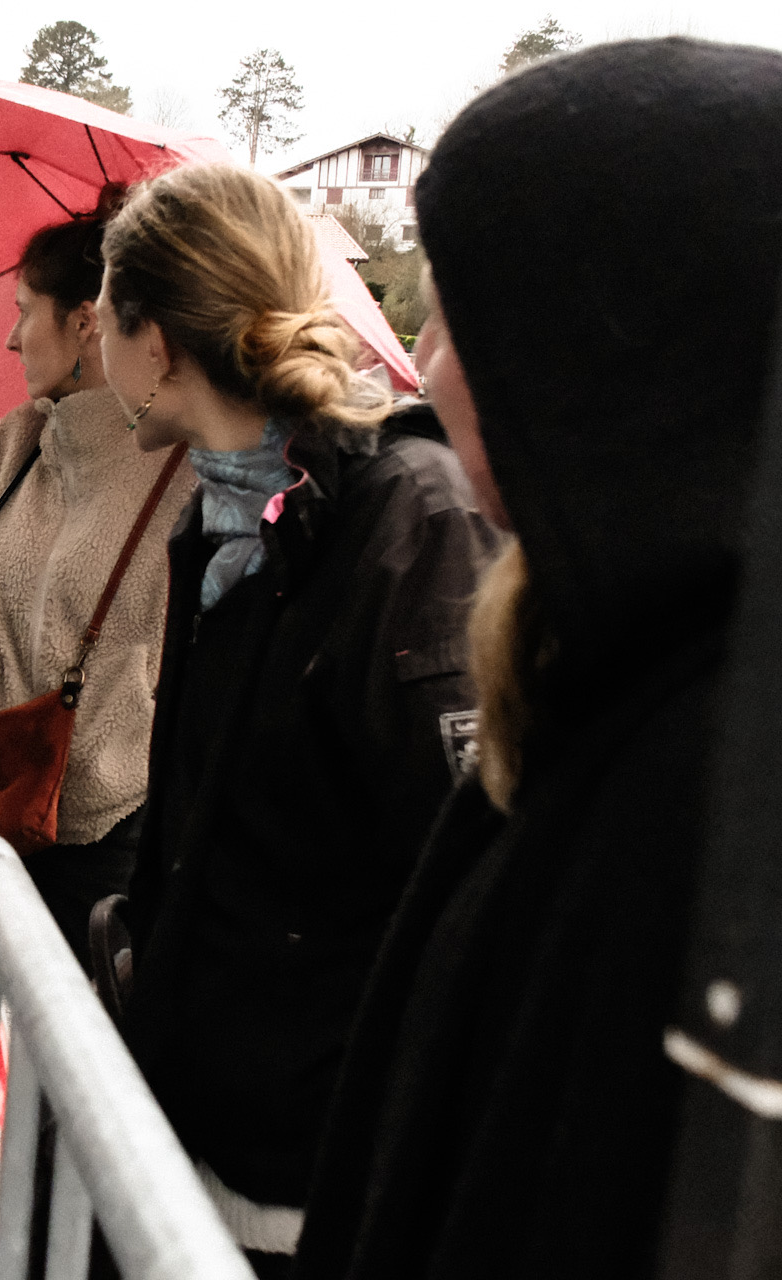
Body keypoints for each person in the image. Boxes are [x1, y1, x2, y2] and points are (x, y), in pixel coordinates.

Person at [293, 39, 782, 1280]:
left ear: (605, 360)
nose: (422, 358)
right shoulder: (604, 665)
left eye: (460, 317)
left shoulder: (708, 784)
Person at [94, 164, 497, 1276]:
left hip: (308, 1179)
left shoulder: (411, 524)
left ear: (156, 343)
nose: (95, 345)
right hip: (196, 1127)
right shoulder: (217, 520)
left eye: (105, 313)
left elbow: (460, 886)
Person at [0, 194, 193, 963]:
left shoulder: (184, 472)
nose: (9, 337)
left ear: (86, 322)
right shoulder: (17, 439)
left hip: (97, 833)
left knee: (43, 1029)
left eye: (24, 311)